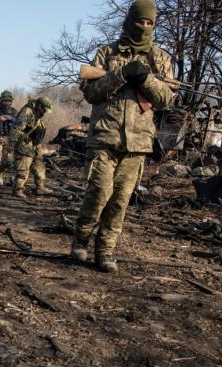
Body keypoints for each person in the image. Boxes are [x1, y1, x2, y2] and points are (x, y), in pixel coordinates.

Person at [70, 0, 174, 272]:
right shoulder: (106, 53)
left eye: (150, 23)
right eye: (140, 21)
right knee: (99, 193)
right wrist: (121, 74)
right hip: (104, 137)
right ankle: (81, 240)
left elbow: (165, 99)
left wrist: (146, 79)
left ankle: (105, 252)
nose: (144, 26)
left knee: (119, 201)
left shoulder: (160, 59)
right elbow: (91, 93)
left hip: (137, 143)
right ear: (130, 21)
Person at [10, 96, 53, 198]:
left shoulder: (37, 113)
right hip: (24, 144)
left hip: (34, 144)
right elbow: (16, 129)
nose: (45, 112)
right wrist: (12, 145)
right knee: (23, 168)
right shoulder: (27, 111)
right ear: (39, 106)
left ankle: (40, 187)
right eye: (44, 109)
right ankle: (17, 189)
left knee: (39, 165)